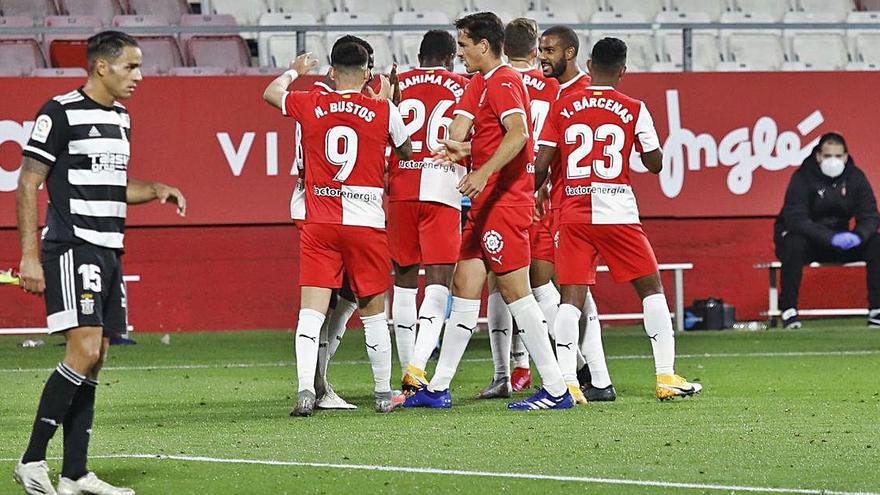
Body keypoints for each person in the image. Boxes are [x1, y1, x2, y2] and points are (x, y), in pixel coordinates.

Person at [14, 31, 186, 495]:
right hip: (72, 245)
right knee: (84, 351)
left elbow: (112, 186)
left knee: (98, 359)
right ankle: (32, 460)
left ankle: (74, 474)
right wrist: (30, 255)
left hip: (110, 247)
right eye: (131, 66)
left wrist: (153, 190)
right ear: (101, 67)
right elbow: (29, 182)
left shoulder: (123, 117)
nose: (140, 76)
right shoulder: (59, 111)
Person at [405, 12, 573, 411]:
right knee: (464, 286)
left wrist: (481, 170)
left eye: (463, 45)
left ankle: (556, 388)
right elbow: (466, 130)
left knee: (518, 293)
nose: (459, 52)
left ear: (484, 45)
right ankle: (439, 387)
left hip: (505, 202)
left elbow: (519, 134)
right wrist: (460, 149)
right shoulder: (479, 83)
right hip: (484, 205)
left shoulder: (504, 82)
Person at [535, 37, 702, 401]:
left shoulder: (562, 106)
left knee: (570, 298)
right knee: (651, 289)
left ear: (590, 65)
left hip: (574, 211)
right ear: (623, 71)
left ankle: (567, 383)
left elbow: (542, 165)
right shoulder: (634, 108)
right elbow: (656, 164)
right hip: (617, 211)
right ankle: (665, 376)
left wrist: (537, 192)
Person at [263, 42, 412, 415]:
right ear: (367, 73)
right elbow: (406, 152)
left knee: (311, 312)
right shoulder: (382, 108)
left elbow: (270, 93)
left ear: (331, 71)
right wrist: (388, 98)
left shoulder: (311, 103)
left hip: (320, 220)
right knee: (374, 310)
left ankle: (304, 393)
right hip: (365, 224)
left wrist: (295, 70)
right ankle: (382, 393)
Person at [536, 25, 616, 402]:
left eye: (549, 50)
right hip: (564, 202)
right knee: (575, 290)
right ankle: (595, 376)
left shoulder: (581, 95)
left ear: (569, 53)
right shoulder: (565, 92)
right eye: (540, 50)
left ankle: (581, 376)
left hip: (578, 207)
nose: (542, 56)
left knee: (562, 287)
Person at [389, 30, 470, 393]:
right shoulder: (464, 85)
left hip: (401, 190)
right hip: (442, 189)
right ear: (451, 56)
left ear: (419, 55)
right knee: (439, 283)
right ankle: (418, 368)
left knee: (403, 283)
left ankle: (406, 369)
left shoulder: (396, 83)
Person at [774, 132, 880, 329]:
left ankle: (877, 310)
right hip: (809, 241)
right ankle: (789, 310)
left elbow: (871, 216)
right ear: (818, 156)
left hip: (842, 240)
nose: (834, 161)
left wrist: (858, 236)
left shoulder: (856, 178)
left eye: (838, 156)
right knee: (793, 243)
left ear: (846, 157)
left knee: (876, 244)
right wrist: (828, 237)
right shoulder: (802, 178)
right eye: (828, 155)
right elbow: (796, 219)